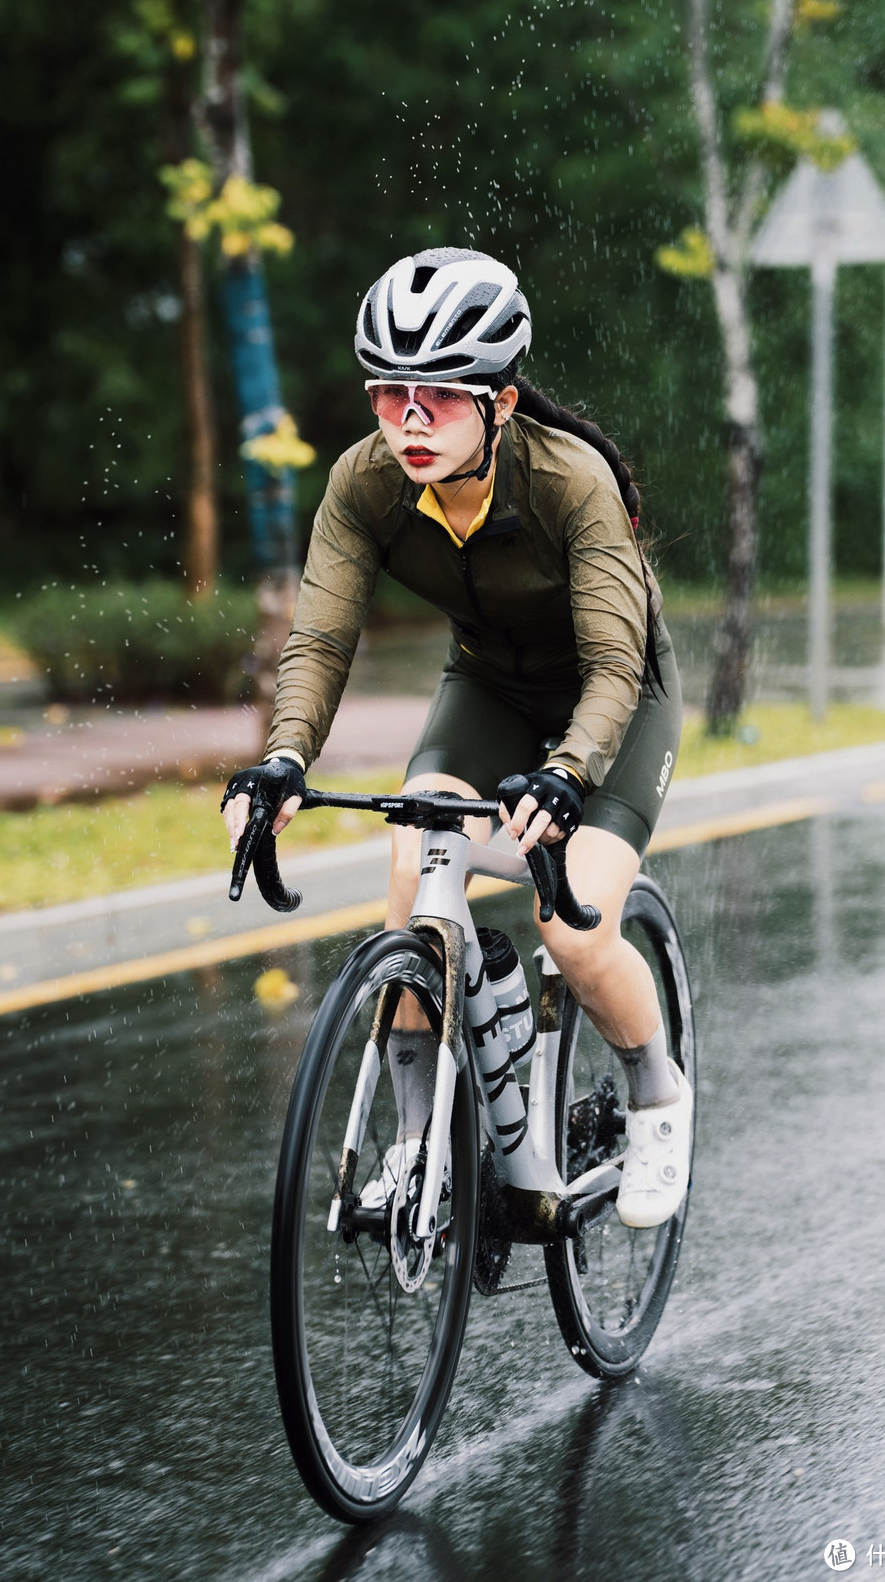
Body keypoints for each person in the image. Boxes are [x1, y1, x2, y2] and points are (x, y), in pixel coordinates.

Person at [222, 247, 690, 1228]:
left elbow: (613, 667)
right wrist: (284, 758)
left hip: (614, 706)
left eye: (438, 395)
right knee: (414, 871)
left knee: (571, 925)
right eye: (389, 394)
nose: (409, 419)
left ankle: (659, 1096)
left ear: (502, 401)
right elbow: (319, 635)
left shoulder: (572, 483)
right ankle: (415, 1147)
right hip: (486, 689)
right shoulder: (366, 485)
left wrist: (565, 776)